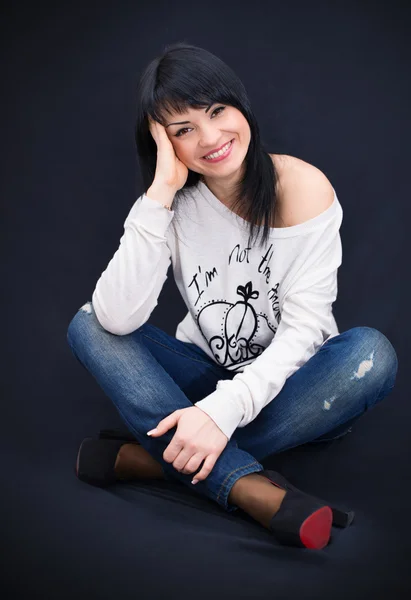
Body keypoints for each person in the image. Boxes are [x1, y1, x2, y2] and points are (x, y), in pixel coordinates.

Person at [67, 42, 398, 550]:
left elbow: (304, 331)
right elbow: (116, 316)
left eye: (217, 111)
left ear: (239, 105)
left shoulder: (302, 186)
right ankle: (244, 486)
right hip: (206, 378)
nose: (211, 137)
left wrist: (220, 415)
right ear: (164, 144)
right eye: (183, 130)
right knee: (89, 323)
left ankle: (153, 461)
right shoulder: (170, 204)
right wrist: (158, 195)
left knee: (371, 355)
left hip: (296, 389)